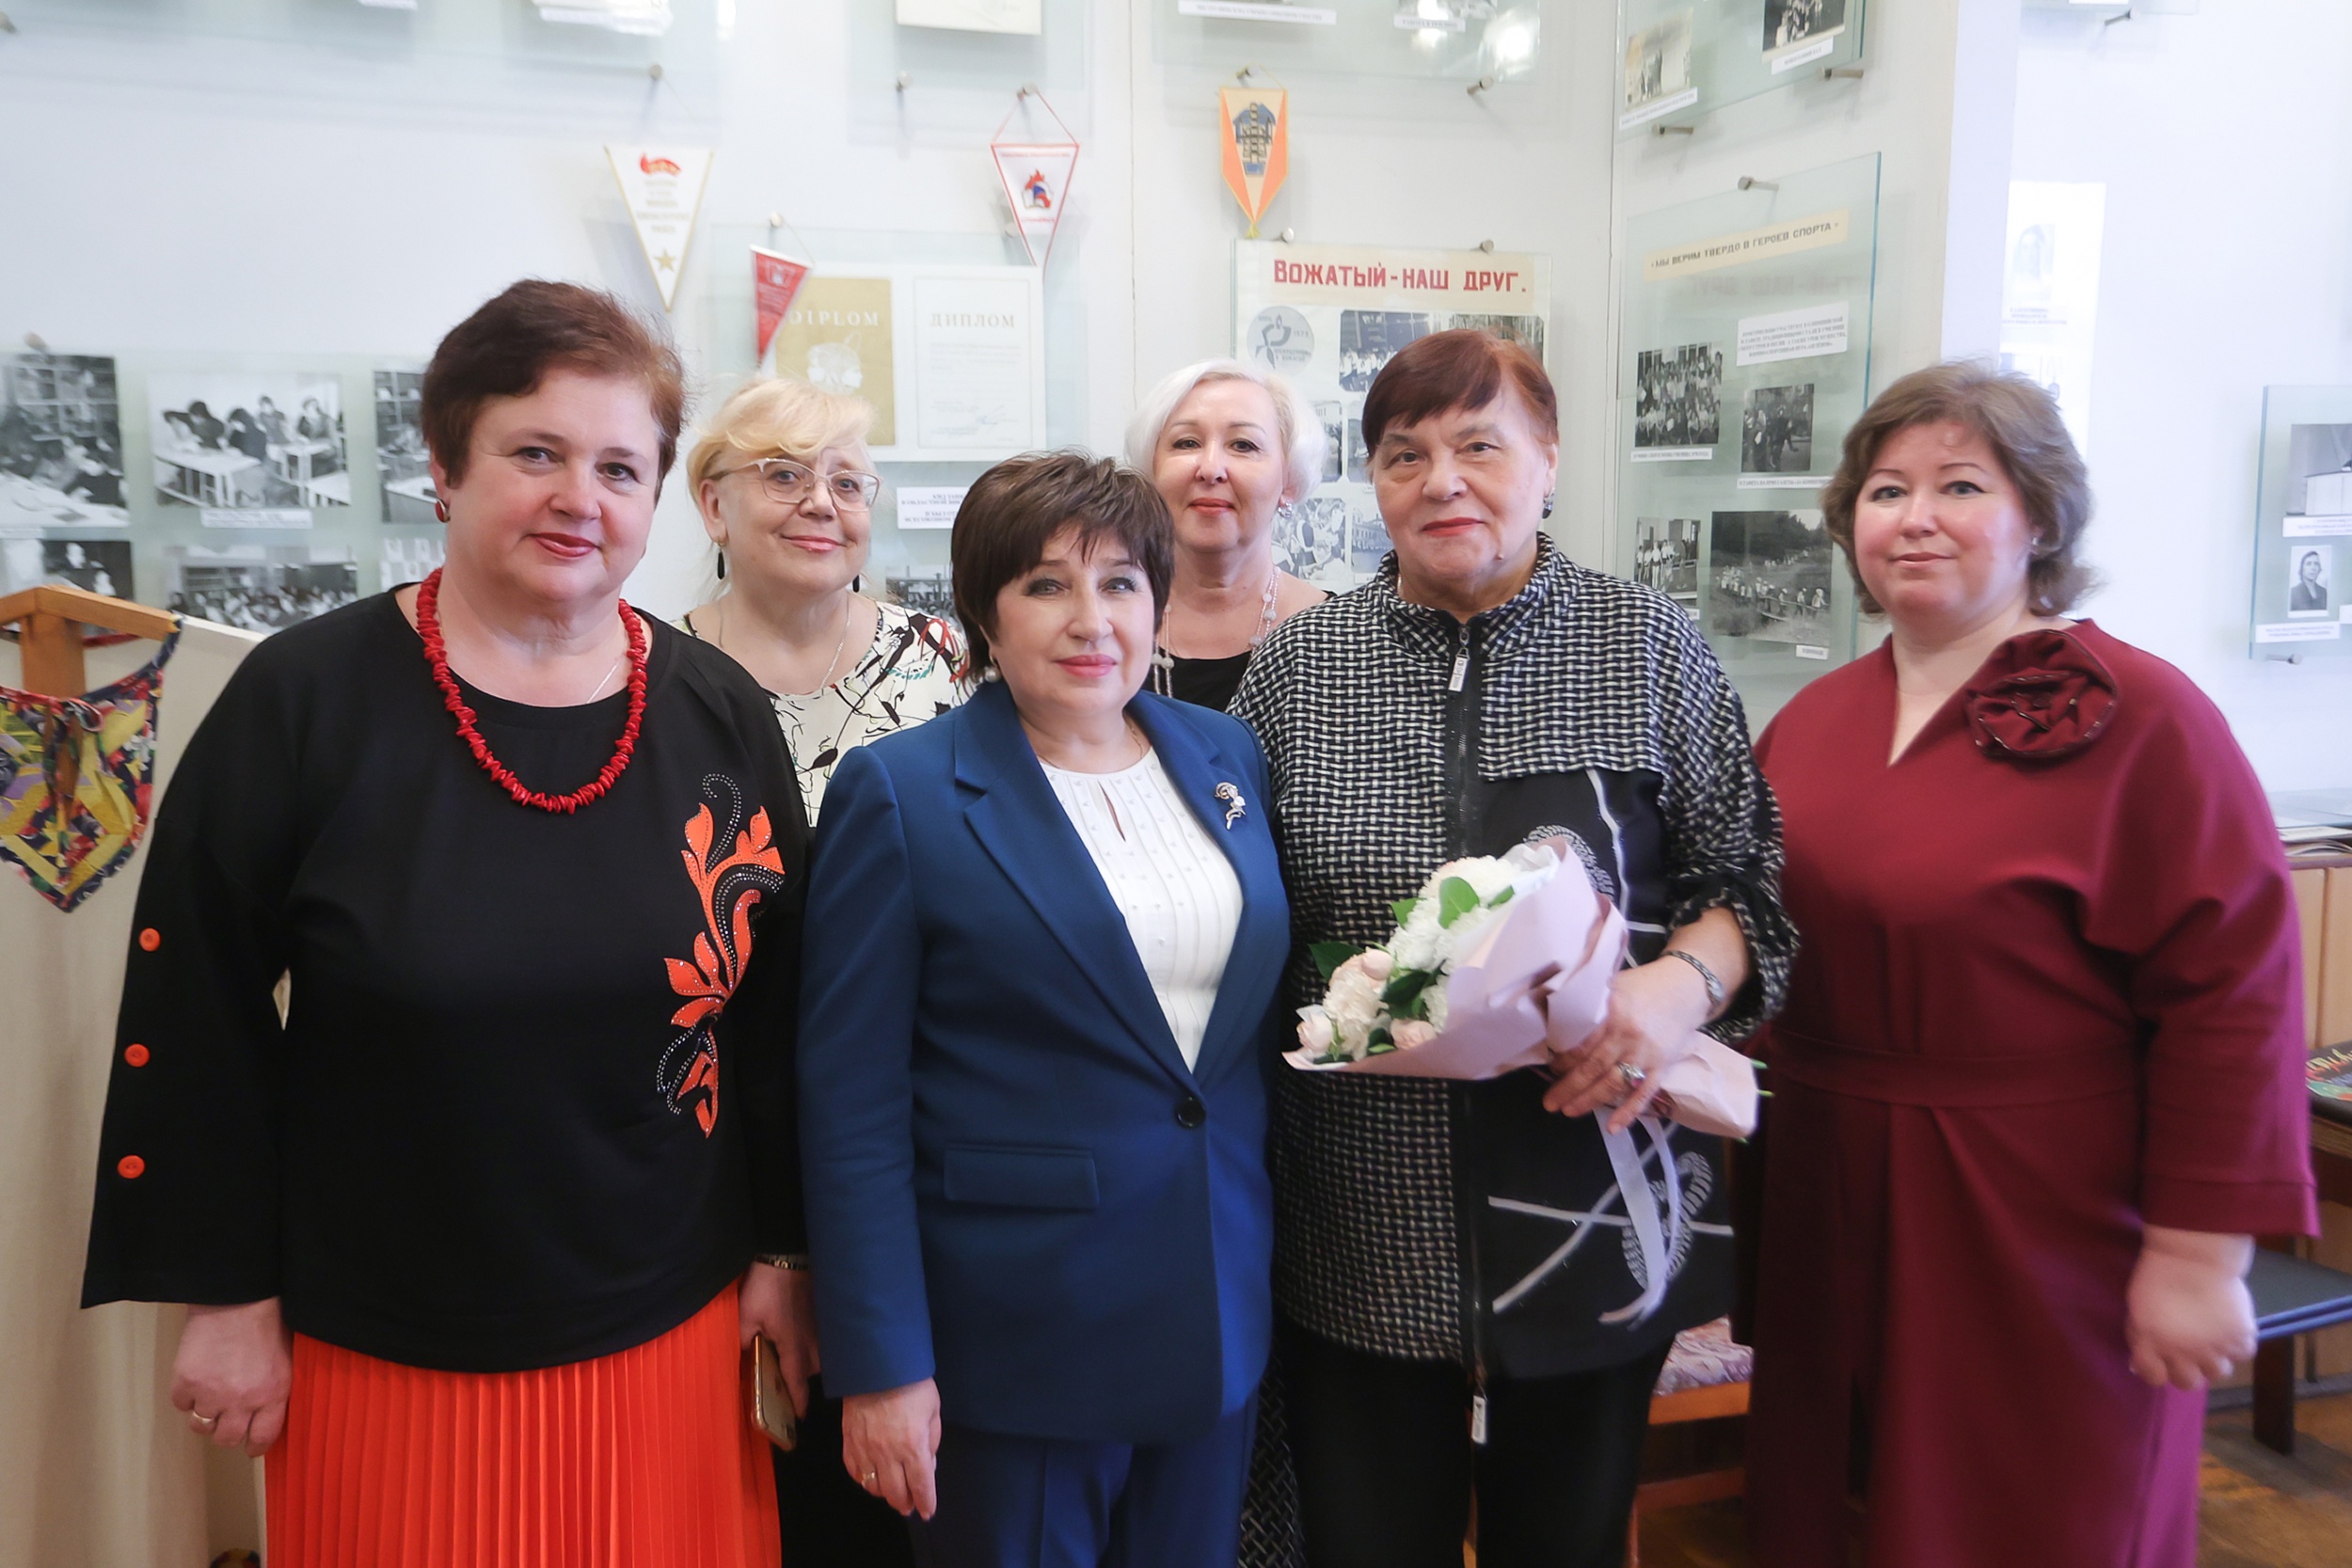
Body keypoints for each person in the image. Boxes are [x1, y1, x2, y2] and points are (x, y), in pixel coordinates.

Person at [80, 280, 812, 1568]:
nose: (578, 498)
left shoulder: (720, 711)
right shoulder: (301, 700)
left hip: (673, 1329)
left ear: (656, 496)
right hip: (385, 1337)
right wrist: (227, 1297)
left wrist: (785, 1251)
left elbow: (778, 1012)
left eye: (618, 467)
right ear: (445, 462)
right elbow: (196, 1009)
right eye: (535, 452)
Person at [1228, 328, 1796, 1568]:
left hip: (1594, 1199)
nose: (1442, 481)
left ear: (1547, 457)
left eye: (1479, 446)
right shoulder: (1299, 668)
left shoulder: (1648, 644)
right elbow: (1249, 920)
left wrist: (1677, 984)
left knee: (1570, 1540)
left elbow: (1748, 887)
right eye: (1404, 454)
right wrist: (1365, 986)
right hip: (1358, 1217)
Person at [1744, 362, 2316, 1568]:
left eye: (1960, 485)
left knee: (2033, 1511)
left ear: (2040, 518)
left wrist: (2197, 1253)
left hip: (2038, 1209)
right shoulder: (1815, 718)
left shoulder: (2147, 718)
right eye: (1886, 490)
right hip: (1825, 1183)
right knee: (1834, 1510)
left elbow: (2233, 998)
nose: (1915, 517)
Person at [797, 451, 1291, 1568]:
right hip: (1013, 1334)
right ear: (986, 610)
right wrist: (882, 1360)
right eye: (1045, 585)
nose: (1090, 620)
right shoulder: (903, 791)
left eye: (1120, 582)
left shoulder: (1224, 756)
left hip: (1212, 1304)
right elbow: (850, 1105)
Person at [679, 377, 967, 822]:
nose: (821, 503)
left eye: (846, 484)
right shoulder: (653, 674)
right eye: (785, 475)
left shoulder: (937, 655)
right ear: (715, 507)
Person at [1124, 359, 1330, 713]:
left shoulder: (1339, 636)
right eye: (1187, 443)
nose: (1210, 469)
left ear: (1289, 480)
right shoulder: (1107, 625)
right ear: (1152, 471)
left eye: (1243, 445)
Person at [2292, 548, 2329, 613]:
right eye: (2308, 564)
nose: (2313, 568)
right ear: (2302, 568)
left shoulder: (2323, 592)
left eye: (2316, 564)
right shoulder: (2293, 593)